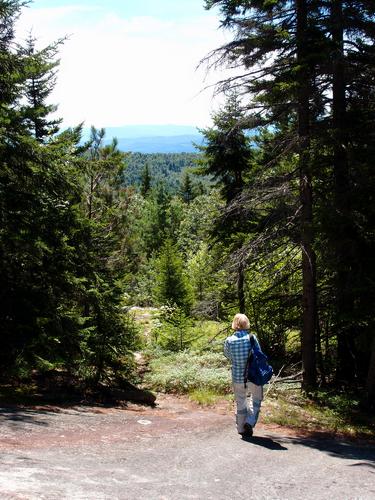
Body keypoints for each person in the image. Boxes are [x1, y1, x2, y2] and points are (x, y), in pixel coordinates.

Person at [224, 313, 263, 437]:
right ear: (246, 323)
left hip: (237, 377)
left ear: (235, 324)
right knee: (256, 399)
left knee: (241, 402)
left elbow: (228, 356)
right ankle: (250, 422)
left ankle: (241, 429)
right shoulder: (251, 338)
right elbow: (259, 354)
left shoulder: (229, 340)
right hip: (254, 376)